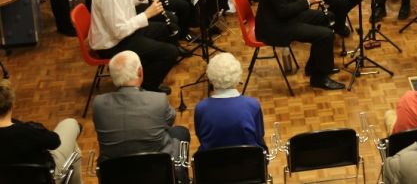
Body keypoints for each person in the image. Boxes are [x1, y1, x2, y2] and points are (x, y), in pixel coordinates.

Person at [88, 0, 179, 93]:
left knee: (168, 29)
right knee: (170, 52)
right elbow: (119, 31)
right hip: (112, 44)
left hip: (125, 31)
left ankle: (146, 69)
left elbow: (124, 3)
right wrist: (147, 14)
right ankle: (146, 87)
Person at [92, 51, 190, 183]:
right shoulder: (158, 100)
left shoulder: (98, 104)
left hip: (115, 175)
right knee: (180, 131)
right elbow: (170, 120)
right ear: (140, 72)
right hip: (157, 174)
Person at [0, 79, 83, 183]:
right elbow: (55, 142)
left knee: (73, 152)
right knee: (70, 124)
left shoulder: (24, 130)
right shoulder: (27, 132)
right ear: (13, 104)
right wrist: (36, 127)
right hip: (46, 178)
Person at [194, 53, 266, 151]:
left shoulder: (201, 108)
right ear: (238, 77)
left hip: (211, 160)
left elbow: (201, 137)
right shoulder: (252, 105)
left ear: (210, 78)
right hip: (249, 159)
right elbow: (259, 136)